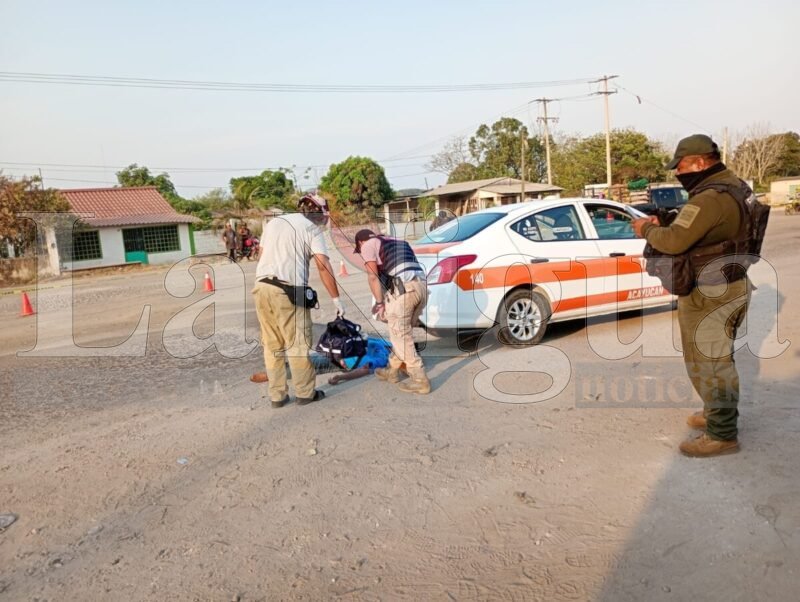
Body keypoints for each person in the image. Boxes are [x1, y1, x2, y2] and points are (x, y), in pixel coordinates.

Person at [632, 134, 751, 457]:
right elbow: (704, 232)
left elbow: (672, 243)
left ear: (700, 162)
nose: (677, 174)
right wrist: (669, 224)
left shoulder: (709, 198)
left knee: (712, 363)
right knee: (710, 359)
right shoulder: (733, 187)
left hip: (712, 291)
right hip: (723, 283)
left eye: (681, 167)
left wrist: (646, 229)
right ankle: (716, 414)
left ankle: (722, 434)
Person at [252, 193, 346, 408]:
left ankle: (277, 396)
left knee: (272, 345)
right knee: (297, 344)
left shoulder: (275, 222)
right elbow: (323, 266)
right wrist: (337, 299)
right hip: (289, 291)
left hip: (261, 287)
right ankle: (305, 393)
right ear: (318, 213)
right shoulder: (311, 228)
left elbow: (262, 255)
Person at [353, 229, 430, 394]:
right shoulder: (399, 242)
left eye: (359, 250)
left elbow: (372, 276)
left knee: (400, 335)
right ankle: (392, 371)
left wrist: (380, 303)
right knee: (400, 333)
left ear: (360, 242)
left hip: (404, 290)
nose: (362, 253)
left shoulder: (367, 245)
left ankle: (419, 379)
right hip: (422, 288)